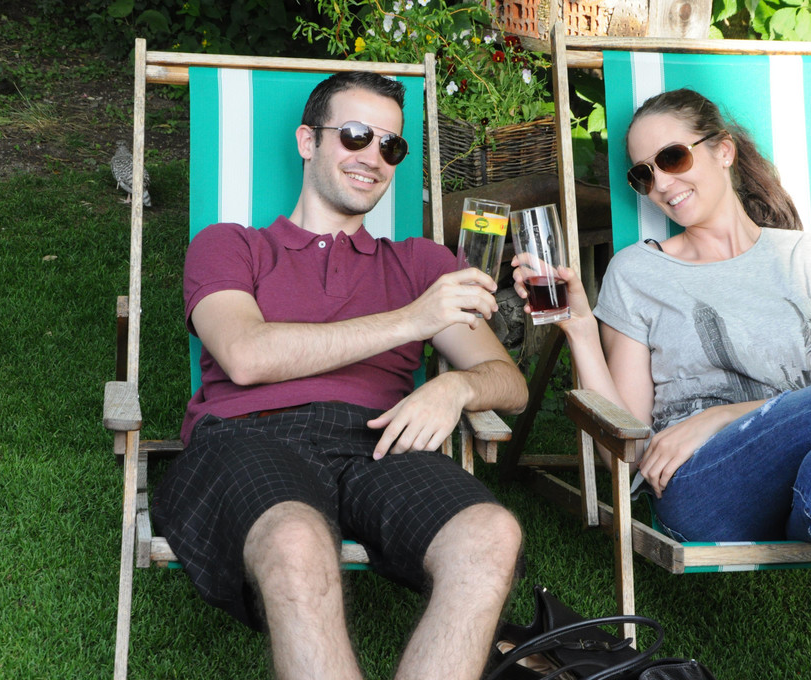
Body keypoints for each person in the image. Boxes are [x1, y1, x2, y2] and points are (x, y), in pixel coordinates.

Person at [513, 88, 811, 679]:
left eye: (672, 158)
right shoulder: (637, 271)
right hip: (703, 484)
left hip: (799, 479)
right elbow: (627, 439)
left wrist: (721, 414)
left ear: (724, 151)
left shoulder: (809, 258)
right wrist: (581, 331)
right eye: (643, 174)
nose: (661, 183)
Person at [152, 71, 529, 680]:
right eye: (355, 135)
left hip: (381, 442)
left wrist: (457, 386)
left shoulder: (419, 264)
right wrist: (412, 319)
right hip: (250, 435)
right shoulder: (230, 246)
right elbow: (246, 355)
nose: (373, 157)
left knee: (489, 534)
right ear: (308, 141)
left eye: (391, 145)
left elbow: (507, 382)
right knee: (295, 541)